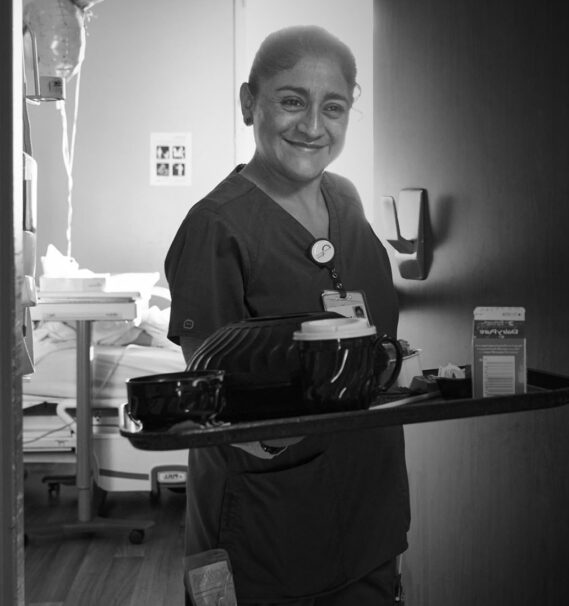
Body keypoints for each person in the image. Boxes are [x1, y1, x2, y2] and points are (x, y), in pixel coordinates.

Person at [165, 25, 409, 605]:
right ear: (250, 101)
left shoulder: (345, 200)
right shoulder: (216, 227)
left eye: (334, 107)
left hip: (370, 503)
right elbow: (211, 396)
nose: (313, 126)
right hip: (268, 520)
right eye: (292, 100)